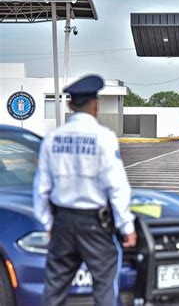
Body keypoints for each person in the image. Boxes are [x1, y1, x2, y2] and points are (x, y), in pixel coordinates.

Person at [33, 75, 137, 306]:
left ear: (70, 105)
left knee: (55, 287)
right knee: (104, 286)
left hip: (62, 223)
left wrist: (48, 224)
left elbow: (41, 187)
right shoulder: (104, 138)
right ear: (96, 104)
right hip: (94, 225)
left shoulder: (52, 139)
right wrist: (126, 225)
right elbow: (117, 186)